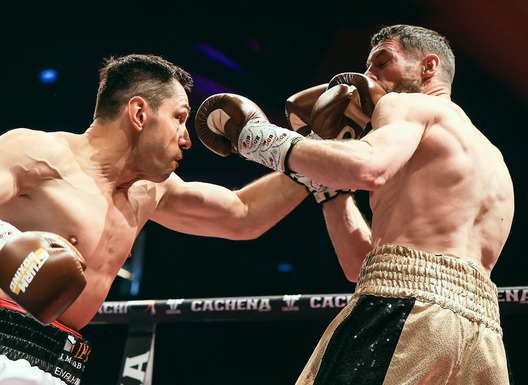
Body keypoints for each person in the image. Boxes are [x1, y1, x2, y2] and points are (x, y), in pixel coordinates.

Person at [0, 53, 316, 384]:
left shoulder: (150, 192)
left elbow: (243, 216)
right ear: (139, 113)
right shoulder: (40, 156)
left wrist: (321, 150)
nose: (187, 137)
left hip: (61, 366)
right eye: (179, 117)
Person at [194, 24, 514, 384]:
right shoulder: (494, 160)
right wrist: (328, 190)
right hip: (482, 335)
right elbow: (361, 267)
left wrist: (261, 139)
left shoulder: (407, 105)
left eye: (382, 62)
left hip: (403, 311)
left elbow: (368, 168)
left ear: (428, 67)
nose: (368, 76)